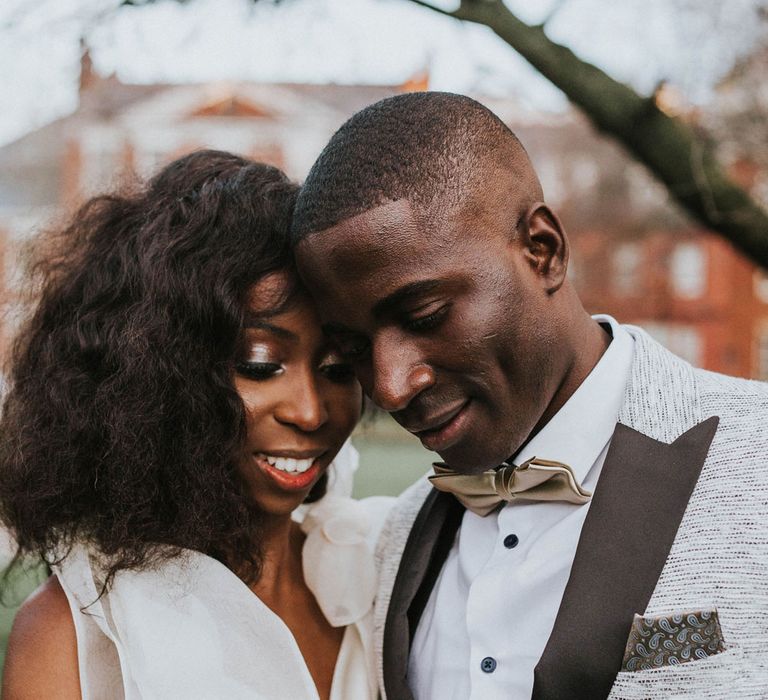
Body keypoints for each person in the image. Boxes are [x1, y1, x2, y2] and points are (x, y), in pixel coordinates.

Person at [290, 92, 768, 700]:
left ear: (542, 250)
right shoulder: (395, 541)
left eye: (425, 314)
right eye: (354, 349)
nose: (389, 384)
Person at [0, 150, 387, 700]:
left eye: (339, 368)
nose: (310, 411)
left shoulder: (378, 574)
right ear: (160, 376)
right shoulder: (78, 636)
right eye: (260, 364)